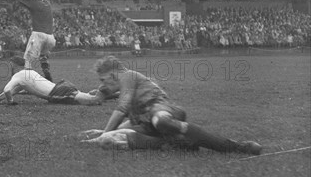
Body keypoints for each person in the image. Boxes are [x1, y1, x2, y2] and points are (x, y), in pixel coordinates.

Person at [81, 55, 262, 154]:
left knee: (160, 122)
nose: (102, 84)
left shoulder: (128, 76)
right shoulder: (123, 83)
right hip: (144, 120)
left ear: (114, 75)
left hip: (160, 109)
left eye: (104, 79)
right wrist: (104, 131)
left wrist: (104, 132)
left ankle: (236, 146)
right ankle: (175, 144)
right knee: (111, 139)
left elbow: (121, 108)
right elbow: (110, 94)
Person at [0, 0, 55, 81]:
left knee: (28, 61)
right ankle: (48, 77)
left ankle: (26, 82)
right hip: (51, 38)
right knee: (43, 57)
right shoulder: (47, 4)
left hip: (38, 35)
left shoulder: (34, 2)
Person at [0, 56, 102, 106]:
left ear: (14, 65)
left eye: (11, 65)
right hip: (62, 86)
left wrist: (11, 102)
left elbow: (7, 90)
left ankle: (106, 92)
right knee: (88, 96)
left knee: (93, 101)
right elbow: (15, 90)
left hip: (56, 93)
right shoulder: (29, 72)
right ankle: (105, 93)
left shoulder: (18, 76)